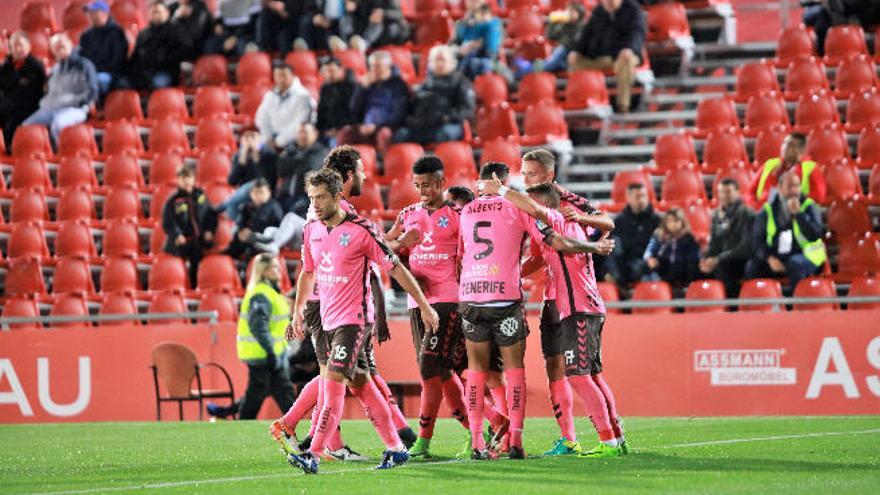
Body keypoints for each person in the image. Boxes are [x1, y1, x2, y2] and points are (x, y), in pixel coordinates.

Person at [285, 167, 439, 473]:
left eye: (322, 197)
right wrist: (298, 310)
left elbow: (395, 268)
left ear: (338, 196)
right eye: (312, 197)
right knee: (363, 384)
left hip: (353, 322)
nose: (315, 204)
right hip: (326, 321)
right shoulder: (311, 229)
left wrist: (424, 304)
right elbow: (308, 270)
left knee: (334, 385)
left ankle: (313, 453)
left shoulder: (362, 230)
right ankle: (396, 447)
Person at [480, 178, 627, 457]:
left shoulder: (558, 220)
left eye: (536, 203)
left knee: (580, 377)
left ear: (546, 204)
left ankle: (608, 441)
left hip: (579, 309)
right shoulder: (571, 223)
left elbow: (540, 218)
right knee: (592, 376)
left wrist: (499, 190)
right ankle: (616, 440)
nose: (532, 207)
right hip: (581, 308)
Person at [517, 149, 615, 456]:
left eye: (530, 173)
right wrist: (511, 274)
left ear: (547, 175)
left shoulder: (566, 206)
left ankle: (611, 437)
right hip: (553, 300)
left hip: (578, 302)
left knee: (582, 373)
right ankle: (570, 438)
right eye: (522, 173)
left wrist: (584, 226)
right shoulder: (536, 209)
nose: (525, 178)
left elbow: (606, 222)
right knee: (556, 369)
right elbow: (537, 253)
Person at [381, 156, 477, 458]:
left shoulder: (457, 215)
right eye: (418, 185)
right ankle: (483, 428)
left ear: (441, 183)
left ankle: (423, 440)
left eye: (429, 185)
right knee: (441, 371)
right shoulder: (407, 213)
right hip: (416, 301)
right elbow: (382, 244)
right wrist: (401, 249)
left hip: (448, 301)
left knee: (428, 368)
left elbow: (471, 254)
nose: (423, 191)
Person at [235, 253, 297, 420]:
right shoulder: (261, 294)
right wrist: (270, 352)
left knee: (278, 393)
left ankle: (296, 429)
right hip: (263, 354)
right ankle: (296, 429)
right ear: (264, 271)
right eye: (273, 267)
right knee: (268, 393)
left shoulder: (271, 292)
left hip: (272, 354)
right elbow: (258, 327)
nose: (278, 270)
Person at [746, 171, 827, 290]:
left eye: (797, 186)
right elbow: (757, 241)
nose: (794, 190)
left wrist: (799, 215)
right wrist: (769, 258)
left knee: (795, 264)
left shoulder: (809, 206)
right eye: (790, 186)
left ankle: (797, 305)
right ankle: (761, 304)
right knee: (752, 267)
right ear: (779, 188)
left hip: (807, 255)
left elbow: (816, 235)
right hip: (777, 256)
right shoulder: (767, 210)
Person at [568, 0, 646, 113]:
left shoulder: (633, 9)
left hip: (625, 56)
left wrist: (630, 49)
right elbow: (586, 34)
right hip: (603, 57)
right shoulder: (599, 11)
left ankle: (623, 105)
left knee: (626, 60)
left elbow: (638, 32)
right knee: (575, 60)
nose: (608, 2)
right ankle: (582, 101)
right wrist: (576, 51)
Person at [22, 33, 98, 144]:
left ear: (70, 44)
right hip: (51, 109)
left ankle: (62, 154)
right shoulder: (55, 69)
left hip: (74, 108)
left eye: (61, 44)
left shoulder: (84, 65)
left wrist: (82, 103)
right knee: (25, 128)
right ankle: (39, 153)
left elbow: (93, 90)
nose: (59, 48)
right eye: (56, 46)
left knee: (58, 125)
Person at [394, 44, 475, 145]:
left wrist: (446, 117)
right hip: (424, 125)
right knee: (401, 135)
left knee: (444, 134)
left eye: (442, 60)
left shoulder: (461, 82)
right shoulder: (425, 84)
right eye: (435, 60)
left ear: (452, 62)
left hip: (448, 124)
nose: (439, 64)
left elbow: (467, 110)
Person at [339, 50, 409, 153]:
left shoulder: (398, 85)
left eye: (378, 66)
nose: (373, 70)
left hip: (388, 126)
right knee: (345, 133)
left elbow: (398, 114)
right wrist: (362, 88)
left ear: (388, 66)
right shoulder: (367, 84)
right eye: (371, 66)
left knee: (384, 134)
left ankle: (384, 165)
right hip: (366, 125)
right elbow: (354, 109)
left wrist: (376, 125)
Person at [162, 165, 216, 287]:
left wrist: (209, 231)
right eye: (183, 178)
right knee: (175, 267)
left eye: (189, 177)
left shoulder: (201, 196)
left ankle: (194, 287)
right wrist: (177, 235)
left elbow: (210, 215)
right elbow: (168, 222)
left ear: (194, 179)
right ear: (178, 180)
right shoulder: (173, 201)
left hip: (198, 242)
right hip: (180, 243)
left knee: (197, 267)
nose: (186, 181)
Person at [700, 178, 755, 298]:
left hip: (740, 259)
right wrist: (706, 258)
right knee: (696, 267)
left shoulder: (747, 213)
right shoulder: (716, 215)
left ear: (737, 192)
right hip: (723, 259)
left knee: (722, 267)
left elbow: (745, 247)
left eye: (728, 192)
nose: (724, 196)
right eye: (721, 192)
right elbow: (714, 243)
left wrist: (718, 259)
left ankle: (731, 307)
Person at [603, 183, 660, 288]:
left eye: (644, 196)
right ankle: (619, 285)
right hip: (626, 264)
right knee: (613, 243)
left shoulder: (656, 220)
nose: (642, 200)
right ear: (628, 198)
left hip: (649, 264)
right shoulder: (620, 221)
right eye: (638, 197)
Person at [750, 132, 827, 206]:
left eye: (790, 145)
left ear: (801, 150)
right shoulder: (769, 164)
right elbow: (750, 191)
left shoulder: (811, 168)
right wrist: (754, 206)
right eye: (784, 143)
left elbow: (819, 197)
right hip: (763, 210)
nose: (784, 147)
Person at [128, 1, 191, 89]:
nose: (155, 14)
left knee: (157, 83)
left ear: (167, 13)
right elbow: (135, 57)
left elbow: (183, 52)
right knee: (124, 83)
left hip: (166, 72)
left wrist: (161, 58)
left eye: (158, 11)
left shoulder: (177, 31)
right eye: (152, 12)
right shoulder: (143, 34)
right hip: (144, 72)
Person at [513, 2, 587, 76]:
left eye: (572, 11)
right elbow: (550, 36)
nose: (569, 13)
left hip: (570, 51)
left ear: (579, 13)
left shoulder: (582, 26)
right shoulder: (565, 24)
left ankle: (524, 71)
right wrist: (553, 22)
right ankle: (521, 73)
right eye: (569, 11)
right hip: (561, 50)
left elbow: (575, 42)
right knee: (552, 64)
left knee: (551, 65)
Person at [0, 32, 46, 149]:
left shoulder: (36, 65)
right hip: (8, 102)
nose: (18, 49)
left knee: (12, 117)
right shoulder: (7, 64)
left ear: (28, 46)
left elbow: (30, 90)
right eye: (14, 46)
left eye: (20, 45)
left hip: (29, 104)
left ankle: (12, 147)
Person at [255, 62, 314, 150]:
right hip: (270, 141)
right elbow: (261, 118)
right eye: (277, 76)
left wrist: (279, 142)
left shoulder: (303, 96)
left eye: (284, 75)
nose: (281, 79)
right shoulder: (270, 95)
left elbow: (300, 123)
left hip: (293, 143)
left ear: (292, 76)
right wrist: (268, 138)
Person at [642, 208, 701, 289]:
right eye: (670, 221)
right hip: (664, 267)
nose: (673, 224)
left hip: (682, 267)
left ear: (682, 222)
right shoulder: (659, 236)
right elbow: (650, 250)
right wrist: (650, 259)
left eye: (676, 221)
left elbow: (695, 256)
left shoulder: (688, 238)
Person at [226, 178, 285, 260]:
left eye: (261, 192)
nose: (258, 196)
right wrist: (241, 231)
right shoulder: (247, 207)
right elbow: (241, 223)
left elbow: (277, 229)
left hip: (267, 241)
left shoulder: (274, 207)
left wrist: (252, 233)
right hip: (247, 240)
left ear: (269, 193)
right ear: (251, 194)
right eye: (255, 193)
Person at [78, 0, 128, 96]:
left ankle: (100, 107)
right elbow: (83, 57)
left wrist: (94, 71)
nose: (90, 16)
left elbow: (118, 61)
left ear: (105, 14)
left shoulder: (117, 33)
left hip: (111, 73)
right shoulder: (86, 35)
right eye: (89, 13)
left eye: (94, 13)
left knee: (99, 80)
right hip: (91, 72)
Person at [277, 122, 328, 215]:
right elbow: (280, 167)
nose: (302, 136)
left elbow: (309, 166)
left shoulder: (321, 151)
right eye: (300, 132)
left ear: (315, 134)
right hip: (284, 197)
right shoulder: (290, 149)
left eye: (305, 132)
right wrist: (297, 162)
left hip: (304, 199)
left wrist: (291, 162)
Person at [451, 1, 503, 79]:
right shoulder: (463, 22)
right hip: (462, 55)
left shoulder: (493, 23)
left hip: (484, 58)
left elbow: (492, 49)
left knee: (476, 64)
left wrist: (476, 45)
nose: (473, 2)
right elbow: (457, 41)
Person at [315, 57, 358, 145]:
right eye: (326, 72)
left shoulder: (353, 88)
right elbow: (321, 112)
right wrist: (318, 130)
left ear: (341, 70)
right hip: (327, 131)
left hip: (344, 131)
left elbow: (354, 115)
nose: (329, 75)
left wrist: (337, 129)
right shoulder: (325, 88)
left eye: (332, 71)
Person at [339, 0, 410, 50]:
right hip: (365, 25)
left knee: (378, 20)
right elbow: (359, 13)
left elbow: (398, 14)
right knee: (346, 17)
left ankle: (364, 44)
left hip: (385, 28)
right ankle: (346, 43)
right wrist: (353, 6)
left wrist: (383, 14)